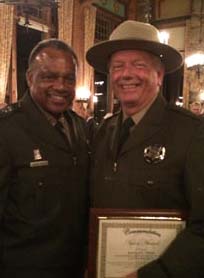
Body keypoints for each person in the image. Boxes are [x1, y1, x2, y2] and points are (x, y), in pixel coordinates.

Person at [86, 20, 204, 278]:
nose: (126, 74)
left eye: (139, 65)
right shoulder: (102, 132)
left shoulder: (192, 133)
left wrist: (152, 274)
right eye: (118, 67)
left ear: (159, 75)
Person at [0, 39, 89, 278]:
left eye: (69, 79)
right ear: (30, 78)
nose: (61, 86)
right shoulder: (6, 130)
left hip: (75, 268)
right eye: (49, 77)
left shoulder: (82, 128)